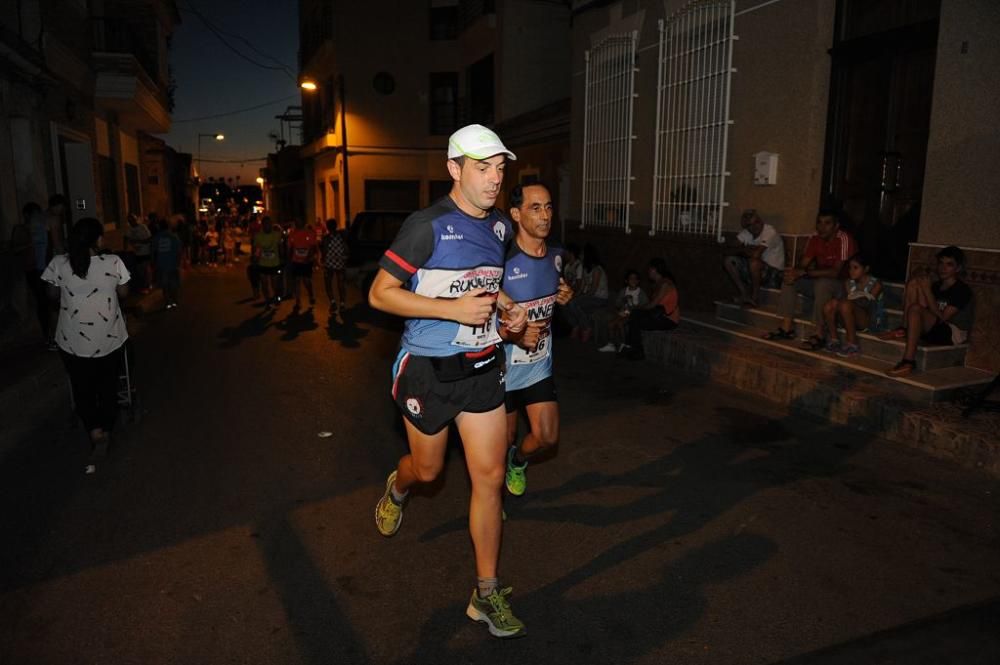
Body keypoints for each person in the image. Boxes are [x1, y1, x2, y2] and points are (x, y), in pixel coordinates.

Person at [369, 124, 529, 639]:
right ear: (454, 169)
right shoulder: (427, 226)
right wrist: (450, 309)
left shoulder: (502, 228)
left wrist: (510, 312)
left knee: (489, 479)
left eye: (500, 168)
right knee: (429, 472)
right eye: (482, 168)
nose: (494, 179)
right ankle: (399, 487)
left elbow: (490, 282)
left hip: (482, 365)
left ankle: (485, 593)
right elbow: (380, 294)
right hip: (427, 369)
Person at [499, 183, 573, 499]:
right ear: (516, 214)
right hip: (501, 371)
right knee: (500, 443)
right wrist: (513, 332)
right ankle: (492, 501)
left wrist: (563, 295)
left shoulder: (557, 254)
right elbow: (476, 318)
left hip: (537, 368)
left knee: (546, 437)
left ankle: (519, 461)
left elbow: (549, 288)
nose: (545, 215)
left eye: (549, 207)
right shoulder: (500, 260)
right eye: (535, 207)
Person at [42, 218, 130, 462]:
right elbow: (123, 292)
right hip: (108, 338)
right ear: (98, 240)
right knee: (108, 385)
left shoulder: (59, 263)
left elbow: (51, 295)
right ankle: (107, 428)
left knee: (83, 387)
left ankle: (95, 431)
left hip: (73, 342)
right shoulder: (113, 262)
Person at [763, 210, 857, 350]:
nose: (821, 227)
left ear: (836, 226)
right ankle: (786, 328)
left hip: (842, 287)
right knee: (790, 279)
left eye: (827, 223)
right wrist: (795, 273)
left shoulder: (843, 238)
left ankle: (819, 334)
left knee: (822, 282)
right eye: (819, 223)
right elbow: (803, 264)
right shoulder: (815, 238)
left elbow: (835, 272)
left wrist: (805, 272)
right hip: (820, 282)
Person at [886, 245, 974, 377]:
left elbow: (943, 318)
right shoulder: (937, 285)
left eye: (949, 264)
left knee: (916, 308)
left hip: (952, 333)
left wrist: (927, 291)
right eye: (941, 263)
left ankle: (908, 361)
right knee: (914, 283)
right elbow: (927, 309)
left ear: (958, 268)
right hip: (936, 328)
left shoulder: (962, 290)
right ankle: (904, 329)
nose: (943, 268)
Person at [820, 253, 884, 357]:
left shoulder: (876, 284)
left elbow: (869, 304)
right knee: (830, 304)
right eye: (850, 268)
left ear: (866, 269)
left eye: (855, 268)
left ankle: (852, 344)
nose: (851, 271)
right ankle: (834, 339)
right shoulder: (848, 283)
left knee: (845, 304)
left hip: (867, 319)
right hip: (849, 316)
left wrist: (855, 299)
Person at [10, 202, 55, 347]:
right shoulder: (21, 229)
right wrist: (30, 244)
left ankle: (51, 333)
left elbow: (50, 246)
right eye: (34, 214)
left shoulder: (42, 226)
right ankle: (47, 335)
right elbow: (15, 248)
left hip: (45, 269)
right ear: (27, 215)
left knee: (48, 301)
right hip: (33, 270)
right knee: (42, 302)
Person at [722, 209, 785, 306]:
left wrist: (743, 249)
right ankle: (744, 294)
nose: (755, 226)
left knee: (754, 262)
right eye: (750, 225)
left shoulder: (769, 231)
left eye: (757, 222)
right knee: (729, 261)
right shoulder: (746, 233)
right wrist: (743, 250)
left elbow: (756, 255)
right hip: (756, 272)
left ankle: (755, 297)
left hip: (775, 274)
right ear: (746, 227)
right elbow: (728, 250)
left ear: (761, 221)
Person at [620, 258, 680, 360]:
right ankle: (631, 348)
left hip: (668, 320)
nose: (648, 271)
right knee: (634, 316)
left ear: (655, 270)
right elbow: (651, 305)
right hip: (659, 316)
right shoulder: (658, 283)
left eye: (649, 269)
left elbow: (652, 305)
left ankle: (633, 349)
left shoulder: (665, 284)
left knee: (634, 318)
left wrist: (636, 308)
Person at [563, 243, 609, 342]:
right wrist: (575, 296)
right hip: (590, 296)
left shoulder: (597, 270)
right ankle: (575, 326)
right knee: (566, 303)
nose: (580, 256)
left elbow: (593, 290)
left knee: (575, 304)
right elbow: (582, 287)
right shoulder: (585, 269)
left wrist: (578, 298)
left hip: (600, 298)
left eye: (582, 254)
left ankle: (586, 327)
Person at [597, 269, 648, 353]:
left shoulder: (640, 292)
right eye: (631, 278)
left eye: (635, 278)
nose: (633, 280)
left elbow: (645, 305)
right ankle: (611, 345)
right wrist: (623, 301)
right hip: (623, 313)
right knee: (610, 324)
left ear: (638, 281)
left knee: (620, 324)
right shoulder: (624, 291)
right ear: (626, 281)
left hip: (633, 315)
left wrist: (634, 306)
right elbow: (617, 304)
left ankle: (624, 345)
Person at [320, 218, 350, 311]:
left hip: (329, 263)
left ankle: (333, 302)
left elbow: (324, 250)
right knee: (341, 284)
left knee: (328, 283)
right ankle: (342, 303)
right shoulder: (342, 236)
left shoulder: (326, 238)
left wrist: (322, 259)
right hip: (340, 262)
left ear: (328, 227)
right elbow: (347, 248)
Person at [286, 218, 317, 308]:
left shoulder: (310, 233)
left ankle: (311, 295)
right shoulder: (292, 234)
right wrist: (289, 258)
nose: (298, 223)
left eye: (300, 221)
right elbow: (290, 247)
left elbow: (313, 247)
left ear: (303, 223)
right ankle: (298, 301)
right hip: (296, 261)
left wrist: (309, 257)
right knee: (297, 280)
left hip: (307, 261)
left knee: (307, 280)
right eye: (297, 222)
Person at [153, 218, 182, 309]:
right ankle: (174, 301)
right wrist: (178, 262)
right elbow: (179, 251)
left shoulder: (157, 237)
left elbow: (153, 251)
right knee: (173, 284)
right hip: (173, 264)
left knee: (165, 284)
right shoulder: (173, 237)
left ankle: (168, 302)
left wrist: (153, 263)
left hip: (162, 265)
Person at [253, 216, 283, 307]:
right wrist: (255, 259)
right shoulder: (258, 236)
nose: (268, 226)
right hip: (263, 264)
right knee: (264, 284)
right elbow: (256, 250)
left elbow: (280, 247)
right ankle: (267, 299)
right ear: (262, 225)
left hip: (275, 263)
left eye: (269, 224)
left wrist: (282, 258)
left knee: (275, 285)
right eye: (266, 224)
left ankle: (277, 297)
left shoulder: (277, 235)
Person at [124, 212, 152, 291]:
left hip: (146, 252)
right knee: (140, 270)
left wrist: (137, 241)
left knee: (146, 269)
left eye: (132, 220)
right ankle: (144, 284)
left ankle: (148, 284)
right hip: (137, 253)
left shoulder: (143, 227)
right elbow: (126, 238)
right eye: (129, 221)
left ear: (136, 220)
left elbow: (149, 239)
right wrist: (125, 249)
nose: (131, 222)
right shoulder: (130, 230)